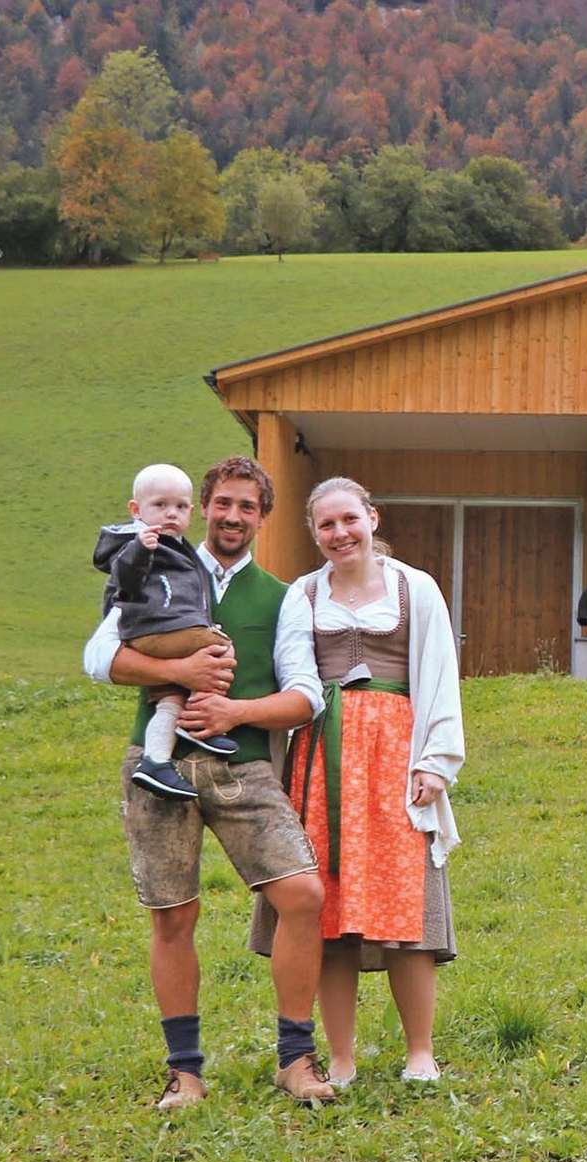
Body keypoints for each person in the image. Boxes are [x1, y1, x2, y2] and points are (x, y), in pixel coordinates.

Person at [84, 456, 338, 1108]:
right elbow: (99, 656)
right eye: (223, 503)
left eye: (246, 507)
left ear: (261, 517)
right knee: (174, 915)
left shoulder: (281, 597)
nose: (232, 516)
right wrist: (191, 669)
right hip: (157, 762)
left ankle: (295, 1058)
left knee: (304, 894)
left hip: (241, 761)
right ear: (203, 507)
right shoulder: (152, 563)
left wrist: (234, 710)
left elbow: (306, 695)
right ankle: (186, 1072)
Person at [247, 476, 464, 1086]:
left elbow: (441, 674)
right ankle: (340, 1057)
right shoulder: (303, 594)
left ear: (371, 517)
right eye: (326, 525)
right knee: (330, 914)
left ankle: (419, 1051)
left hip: (396, 757)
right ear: (314, 534)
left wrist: (435, 762)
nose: (340, 534)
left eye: (349, 519)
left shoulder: (414, 587)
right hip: (322, 759)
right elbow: (287, 673)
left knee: (408, 912)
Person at [92, 463, 240, 801]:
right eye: (160, 505)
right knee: (220, 649)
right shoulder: (138, 543)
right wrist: (139, 550)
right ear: (136, 510)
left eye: (180, 506)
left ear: (191, 511)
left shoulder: (176, 547)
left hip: (161, 629)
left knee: (170, 698)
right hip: (155, 628)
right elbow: (123, 583)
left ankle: (155, 760)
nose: (171, 514)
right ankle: (199, 724)